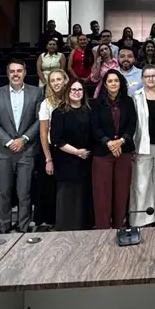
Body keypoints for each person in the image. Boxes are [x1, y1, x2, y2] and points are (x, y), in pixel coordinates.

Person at [0, 59, 44, 234]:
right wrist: (10, 142)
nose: (16, 74)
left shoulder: (37, 92)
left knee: (24, 193)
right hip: (3, 151)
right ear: (7, 73)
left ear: (25, 73)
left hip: (27, 149)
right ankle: (4, 227)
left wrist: (23, 139)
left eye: (19, 70)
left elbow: (39, 120)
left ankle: (23, 228)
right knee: (3, 192)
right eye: (12, 71)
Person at [90, 70, 136, 229]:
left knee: (121, 193)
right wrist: (109, 143)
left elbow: (132, 124)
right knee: (102, 195)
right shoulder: (97, 102)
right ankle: (102, 229)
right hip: (103, 153)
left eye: (116, 80)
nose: (113, 83)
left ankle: (119, 227)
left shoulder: (128, 101)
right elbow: (95, 127)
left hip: (123, 152)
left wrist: (120, 141)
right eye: (110, 81)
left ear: (120, 82)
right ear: (105, 84)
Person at [50, 80, 92, 231]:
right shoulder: (59, 112)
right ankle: (66, 228)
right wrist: (77, 152)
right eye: (73, 89)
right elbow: (57, 139)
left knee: (83, 194)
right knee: (67, 195)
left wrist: (84, 153)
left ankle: (84, 226)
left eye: (79, 89)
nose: (76, 92)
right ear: (68, 92)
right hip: (66, 160)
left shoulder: (89, 111)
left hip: (86, 160)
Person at [131, 65, 155, 226]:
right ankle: (140, 220)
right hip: (142, 145)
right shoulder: (136, 96)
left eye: (153, 76)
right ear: (142, 79)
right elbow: (133, 123)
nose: (151, 79)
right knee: (141, 184)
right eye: (147, 76)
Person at [36, 69, 68, 232]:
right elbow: (43, 133)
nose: (56, 83)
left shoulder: (71, 99)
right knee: (50, 188)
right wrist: (48, 159)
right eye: (53, 80)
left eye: (59, 79)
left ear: (65, 80)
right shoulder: (46, 104)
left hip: (70, 150)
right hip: (51, 151)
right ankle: (49, 221)